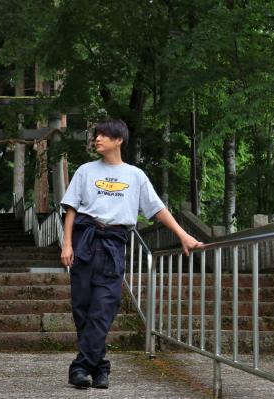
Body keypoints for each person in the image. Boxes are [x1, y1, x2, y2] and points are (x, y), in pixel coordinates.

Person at [60, 119, 203, 389]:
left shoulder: (135, 175)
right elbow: (71, 209)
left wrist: (183, 235)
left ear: (119, 140)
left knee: (105, 307)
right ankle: (99, 368)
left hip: (114, 244)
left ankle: (80, 367)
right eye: (96, 135)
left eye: (103, 135)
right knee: (83, 308)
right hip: (85, 241)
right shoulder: (85, 171)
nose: (97, 139)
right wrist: (67, 244)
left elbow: (157, 208)